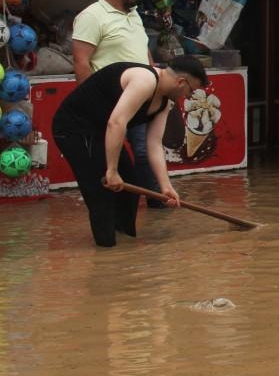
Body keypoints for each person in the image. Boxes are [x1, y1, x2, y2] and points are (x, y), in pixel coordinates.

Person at [51, 57, 209, 247]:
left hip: (101, 132)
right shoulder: (145, 80)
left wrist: (165, 186)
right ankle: (107, 250)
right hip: (74, 128)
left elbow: (154, 144)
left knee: (129, 184)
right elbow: (117, 122)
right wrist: (111, 170)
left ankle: (125, 244)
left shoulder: (165, 102)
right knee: (102, 193)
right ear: (181, 82)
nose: (188, 96)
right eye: (191, 91)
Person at [72, 0, 164, 207]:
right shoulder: (91, 16)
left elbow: (143, 50)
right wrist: (90, 102)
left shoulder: (133, 14)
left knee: (144, 150)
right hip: (110, 99)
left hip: (141, 94)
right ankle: (118, 204)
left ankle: (156, 202)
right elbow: (81, 62)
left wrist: (154, 79)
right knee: (113, 154)